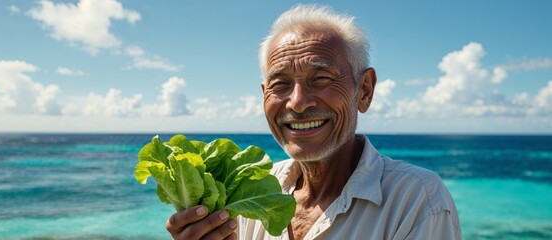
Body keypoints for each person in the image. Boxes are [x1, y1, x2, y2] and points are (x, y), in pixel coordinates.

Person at [166, 4, 461, 240]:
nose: (297, 101)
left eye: (320, 78)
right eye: (279, 84)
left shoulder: (418, 201)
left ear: (365, 91)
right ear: (263, 96)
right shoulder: (248, 191)